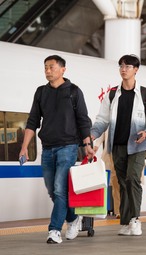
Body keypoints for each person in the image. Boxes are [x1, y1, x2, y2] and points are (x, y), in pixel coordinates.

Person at [19, 55, 94, 244]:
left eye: (51, 67)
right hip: (47, 148)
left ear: (63, 70)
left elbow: (83, 121)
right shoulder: (41, 92)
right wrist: (24, 147)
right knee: (53, 191)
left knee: (60, 189)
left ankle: (54, 230)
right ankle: (73, 218)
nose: (47, 70)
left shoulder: (74, 92)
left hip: (68, 147)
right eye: (45, 67)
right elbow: (32, 121)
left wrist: (87, 146)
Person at [91, 54, 146, 236]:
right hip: (117, 146)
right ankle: (126, 221)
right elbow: (102, 120)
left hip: (138, 146)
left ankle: (135, 220)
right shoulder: (113, 94)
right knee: (122, 183)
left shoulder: (145, 94)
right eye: (121, 66)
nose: (123, 69)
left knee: (133, 179)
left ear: (136, 70)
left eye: (128, 66)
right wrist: (92, 134)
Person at [94, 130, 121, 219]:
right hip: (111, 155)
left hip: (126, 152)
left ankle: (129, 210)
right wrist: (97, 145)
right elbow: (102, 132)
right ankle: (118, 211)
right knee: (115, 182)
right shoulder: (109, 120)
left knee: (127, 183)